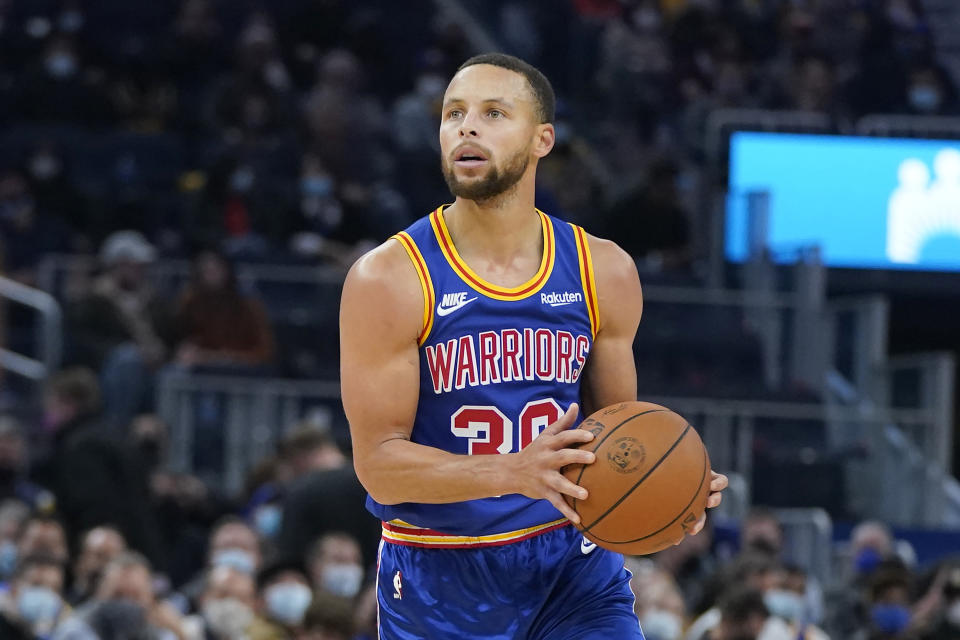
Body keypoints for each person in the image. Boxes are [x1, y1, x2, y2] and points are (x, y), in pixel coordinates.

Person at [339, 52, 727, 639]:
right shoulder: (389, 278)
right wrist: (514, 471)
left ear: (543, 139)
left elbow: (615, 434)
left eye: (493, 113)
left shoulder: (604, 270)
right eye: (453, 114)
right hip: (442, 574)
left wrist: (671, 485)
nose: (466, 127)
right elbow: (379, 468)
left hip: (572, 565)